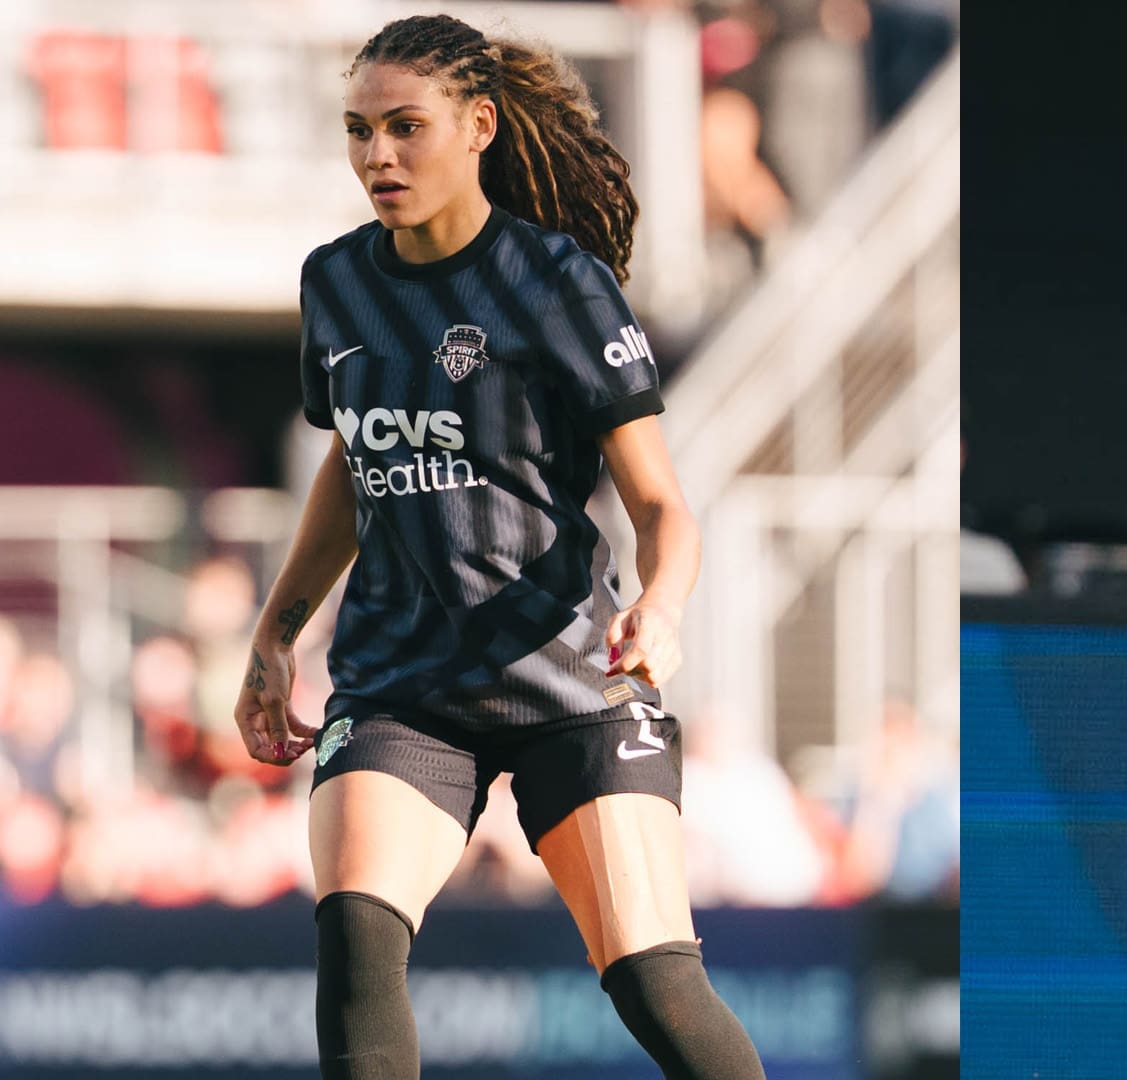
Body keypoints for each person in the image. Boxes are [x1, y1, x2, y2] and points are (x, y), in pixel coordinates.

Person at [229, 15, 764, 1078]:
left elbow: (662, 504)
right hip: (403, 683)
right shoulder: (335, 283)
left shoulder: (556, 282)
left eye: (405, 128)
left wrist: (658, 607)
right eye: (358, 130)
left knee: (657, 984)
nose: (378, 155)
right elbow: (354, 458)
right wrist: (276, 630)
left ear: (478, 126)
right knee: (357, 946)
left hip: (573, 673)